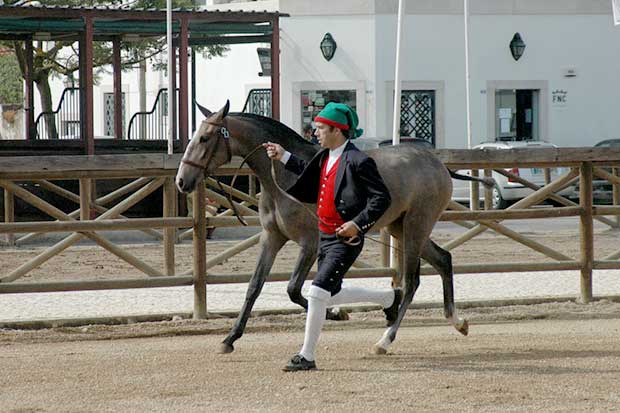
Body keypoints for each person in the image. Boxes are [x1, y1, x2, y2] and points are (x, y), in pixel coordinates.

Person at [264, 102, 402, 372]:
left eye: (320, 129)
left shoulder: (360, 161)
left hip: (346, 239)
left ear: (337, 130)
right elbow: (308, 172)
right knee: (329, 293)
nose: (315, 133)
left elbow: (381, 198)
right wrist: (282, 156)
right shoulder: (326, 156)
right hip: (325, 236)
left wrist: (357, 224)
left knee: (316, 292)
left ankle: (307, 356)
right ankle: (388, 299)